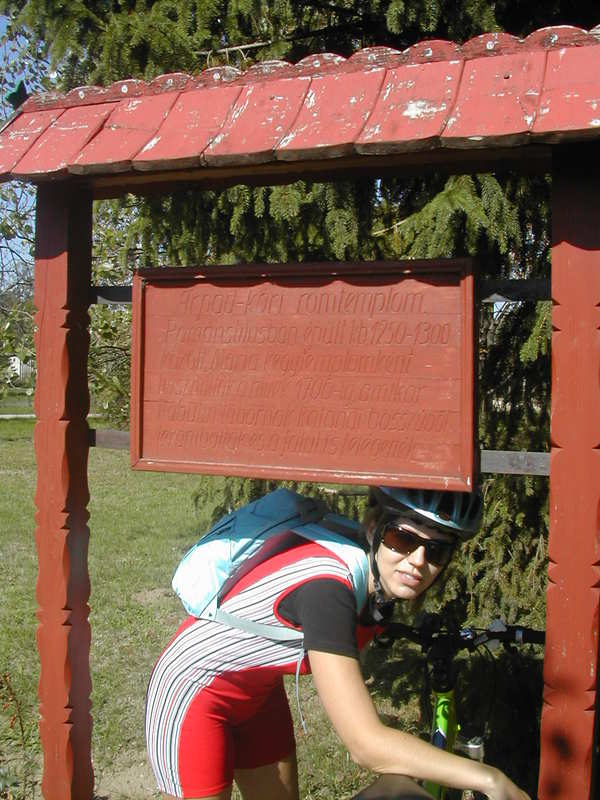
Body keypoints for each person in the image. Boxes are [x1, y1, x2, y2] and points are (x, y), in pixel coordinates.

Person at [145, 486, 531, 800]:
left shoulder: (374, 577)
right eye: (402, 538)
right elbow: (365, 745)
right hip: (191, 695)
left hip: (259, 696)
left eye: (437, 550)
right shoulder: (329, 590)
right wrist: (489, 778)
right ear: (374, 526)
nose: (417, 560)